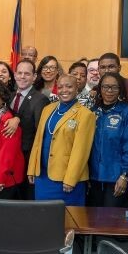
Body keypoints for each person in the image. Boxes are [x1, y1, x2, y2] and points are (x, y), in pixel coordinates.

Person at [27, 75, 95, 206]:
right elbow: (38, 141)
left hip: (66, 180)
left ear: (77, 89)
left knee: (68, 221)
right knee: (43, 218)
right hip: (42, 177)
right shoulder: (48, 109)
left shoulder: (86, 115)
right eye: (61, 87)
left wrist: (71, 179)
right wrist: (32, 168)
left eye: (69, 86)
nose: (64, 90)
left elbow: (81, 151)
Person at [87, 72, 128, 207]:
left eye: (114, 87)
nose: (109, 91)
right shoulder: (93, 112)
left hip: (116, 178)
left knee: (110, 221)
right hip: (92, 177)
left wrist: (124, 175)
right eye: (105, 87)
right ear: (99, 89)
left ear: (120, 90)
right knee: (92, 221)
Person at [11, 59, 50, 199]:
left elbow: (41, 134)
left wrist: (34, 164)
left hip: (27, 158)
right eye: (19, 73)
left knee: (25, 199)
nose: (22, 77)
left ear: (34, 77)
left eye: (27, 74)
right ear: (14, 75)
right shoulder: (9, 96)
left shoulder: (40, 100)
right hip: (10, 158)